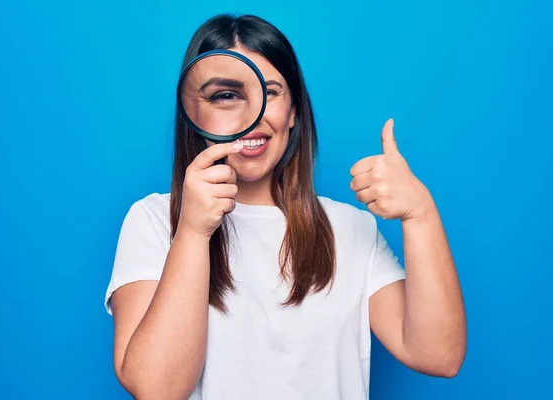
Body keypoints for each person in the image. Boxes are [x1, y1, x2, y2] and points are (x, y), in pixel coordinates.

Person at [104, 13, 467, 400]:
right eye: (226, 95)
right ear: (195, 114)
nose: (251, 117)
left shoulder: (350, 228)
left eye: (271, 92)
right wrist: (193, 232)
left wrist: (420, 214)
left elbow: (439, 355)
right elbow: (156, 389)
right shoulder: (154, 220)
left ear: (293, 111)